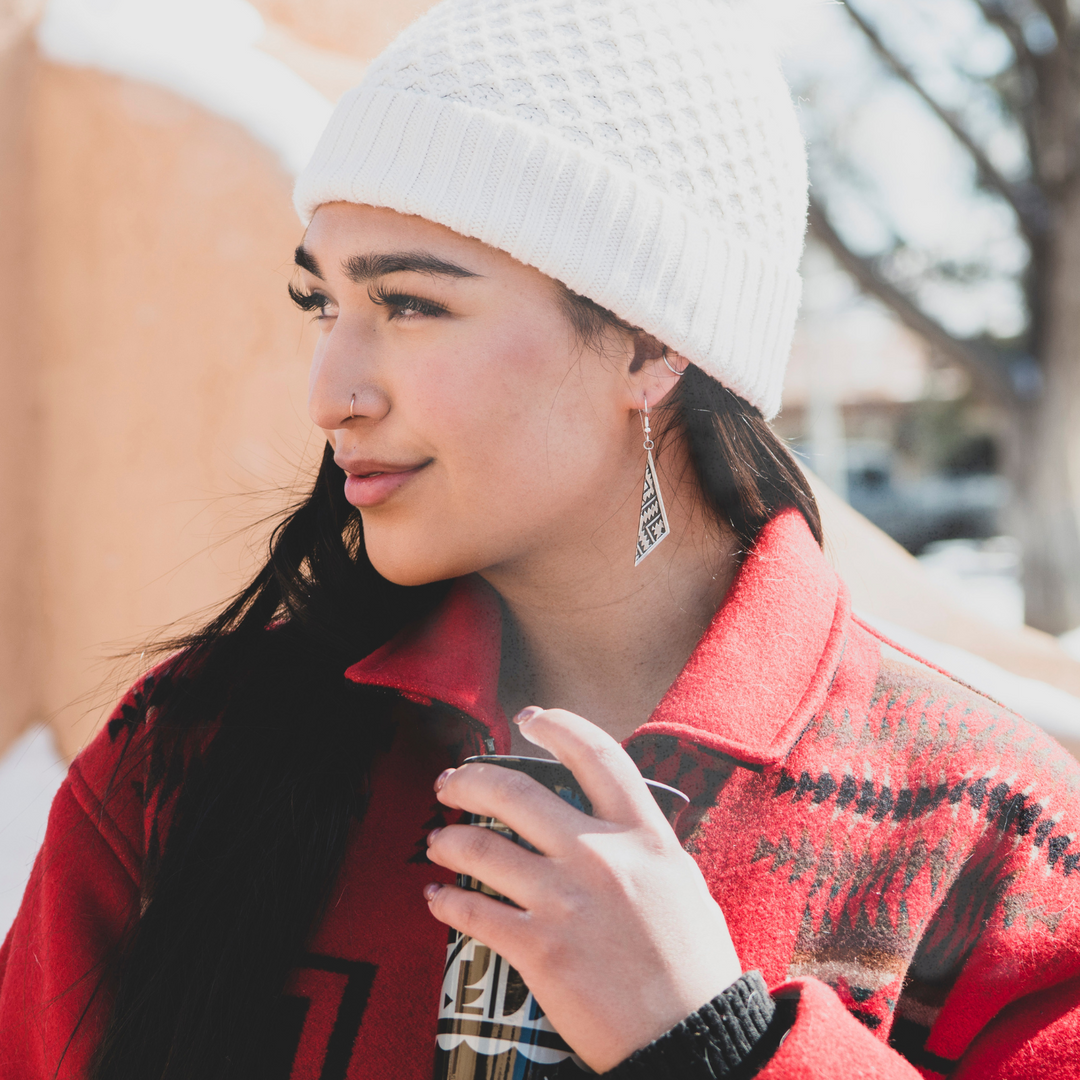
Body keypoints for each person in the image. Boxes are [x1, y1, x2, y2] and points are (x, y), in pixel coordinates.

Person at [3, 0, 1080, 1077]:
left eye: (413, 304)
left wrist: (717, 1048)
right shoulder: (186, 756)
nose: (330, 392)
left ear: (651, 346)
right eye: (321, 303)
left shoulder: (993, 840)